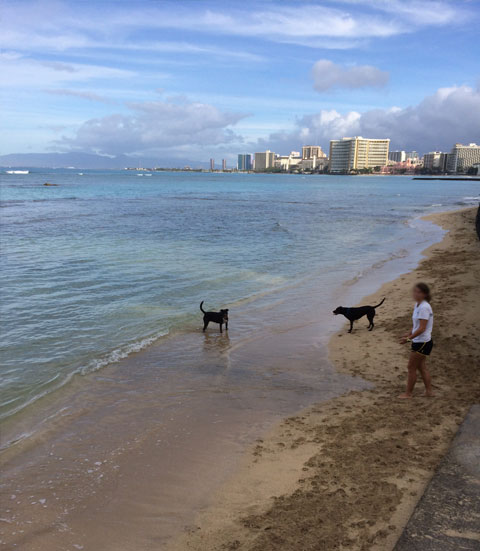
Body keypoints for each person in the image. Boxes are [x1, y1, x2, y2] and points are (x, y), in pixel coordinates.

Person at [399, 282, 434, 398]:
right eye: (414, 291)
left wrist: (408, 339)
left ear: (424, 294)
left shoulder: (424, 307)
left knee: (411, 367)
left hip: (422, 342)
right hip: (420, 341)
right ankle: (429, 391)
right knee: (421, 367)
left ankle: (408, 393)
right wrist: (409, 333)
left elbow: (422, 328)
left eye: (418, 292)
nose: (415, 294)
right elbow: (417, 325)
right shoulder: (418, 305)